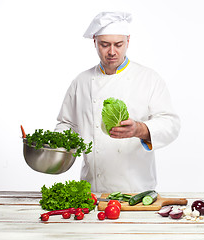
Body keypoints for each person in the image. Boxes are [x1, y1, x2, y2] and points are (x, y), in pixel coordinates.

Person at [55, 12, 180, 193]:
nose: (112, 52)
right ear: (95, 42)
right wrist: (54, 147)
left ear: (128, 41)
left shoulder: (149, 78)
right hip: (92, 190)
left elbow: (171, 124)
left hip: (136, 191)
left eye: (118, 44)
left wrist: (140, 129)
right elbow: (67, 124)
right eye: (104, 45)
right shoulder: (81, 82)